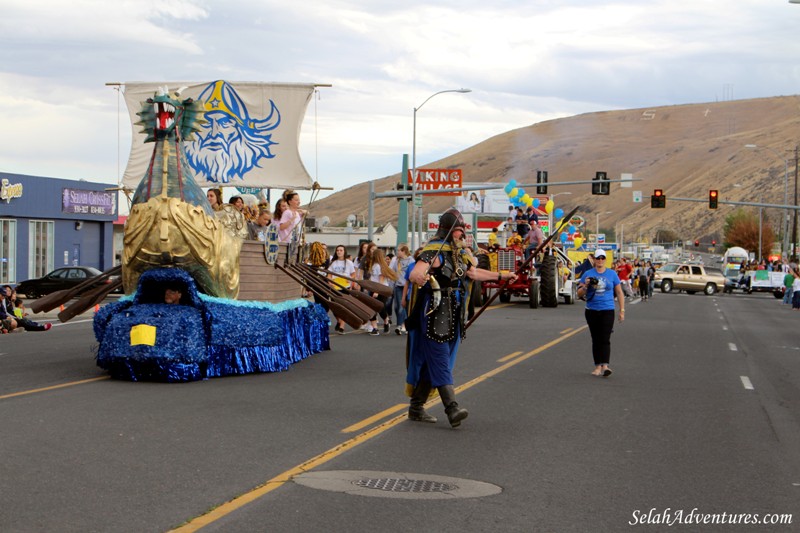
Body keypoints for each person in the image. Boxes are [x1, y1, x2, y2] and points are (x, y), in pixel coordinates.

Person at [406, 208, 517, 427]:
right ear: (447, 230)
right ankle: (452, 408)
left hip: (454, 311)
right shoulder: (434, 251)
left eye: (462, 230)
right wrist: (419, 276)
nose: (461, 235)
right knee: (439, 358)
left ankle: (416, 407)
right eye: (458, 231)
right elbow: (415, 272)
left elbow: (474, 274)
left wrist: (502, 276)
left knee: (437, 360)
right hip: (434, 311)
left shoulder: (461, 253)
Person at [576, 249, 624, 377]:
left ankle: (605, 366)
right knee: (596, 338)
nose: (600, 260)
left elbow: (619, 292)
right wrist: (586, 286)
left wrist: (622, 310)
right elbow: (579, 293)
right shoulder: (587, 273)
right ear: (594, 259)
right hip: (592, 310)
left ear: (605, 259)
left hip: (607, 309)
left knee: (605, 338)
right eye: (598, 258)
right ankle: (597, 366)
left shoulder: (612, 274)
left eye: (603, 258)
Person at [328, 245, 356, 334]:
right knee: (334, 307)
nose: (339, 252)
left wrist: (350, 279)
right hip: (335, 286)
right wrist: (330, 282)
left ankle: (342, 326)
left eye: (341, 250)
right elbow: (329, 274)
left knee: (344, 307)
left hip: (345, 286)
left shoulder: (349, 262)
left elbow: (353, 274)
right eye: (338, 250)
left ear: (344, 252)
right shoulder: (333, 262)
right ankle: (339, 321)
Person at [390, 244, 413, 335]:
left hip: (407, 286)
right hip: (398, 286)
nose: (397, 252)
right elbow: (393, 273)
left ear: (404, 251)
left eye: (399, 250)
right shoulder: (396, 261)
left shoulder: (411, 260)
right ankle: (403, 324)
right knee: (397, 307)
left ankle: (401, 326)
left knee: (403, 307)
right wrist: (392, 285)